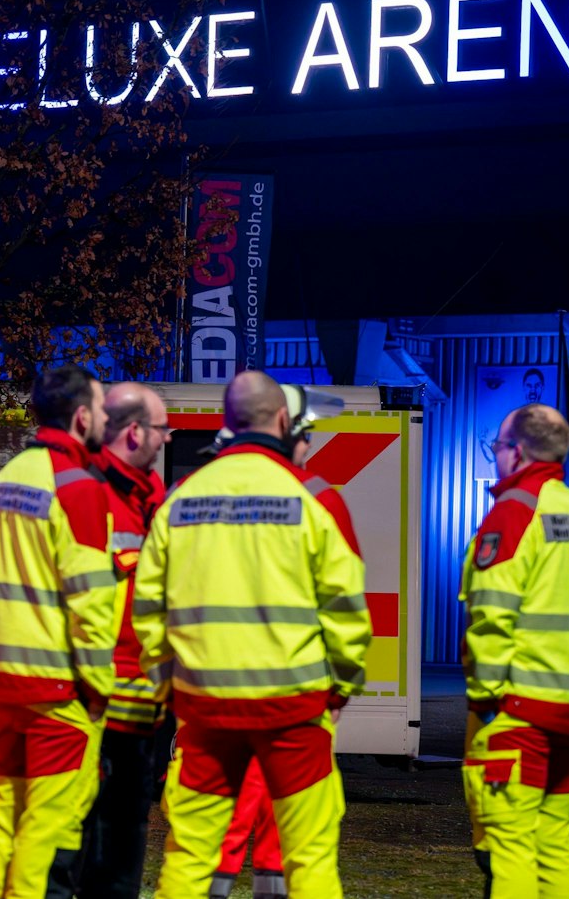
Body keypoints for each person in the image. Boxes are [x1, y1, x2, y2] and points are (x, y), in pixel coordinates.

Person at [133, 371, 370, 899]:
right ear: (283, 421)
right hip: (295, 708)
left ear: (226, 423)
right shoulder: (313, 498)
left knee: (191, 854)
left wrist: (168, 684)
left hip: (205, 708)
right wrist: (341, 687)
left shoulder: (181, 498)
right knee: (308, 855)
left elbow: (148, 606)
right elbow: (347, 607)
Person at [0, 366, 119, 899]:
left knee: (4, 813)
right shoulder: (77, 487)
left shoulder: (6, 479)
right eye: (101, 410)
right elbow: (93, 602)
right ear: (81, 418)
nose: (105, 418)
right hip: (60, 688)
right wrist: (100, 688)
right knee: (47, 827)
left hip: (10, 682)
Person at [460, 403, 569, 899]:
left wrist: (485, 700)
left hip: (517, 710)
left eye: (497, 447)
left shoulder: (515, 510)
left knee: (512, 848)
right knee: (554, 842)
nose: (496, 457)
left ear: (517, 452)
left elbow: (492, 615)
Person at [79, 382, 171, 899]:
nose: (166, 439)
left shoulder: (151, 497)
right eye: (161, 429)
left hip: (139, 707)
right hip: (88, 703)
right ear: (135, 432)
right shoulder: (83, 492)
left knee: (123, 849)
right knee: (74, 848)